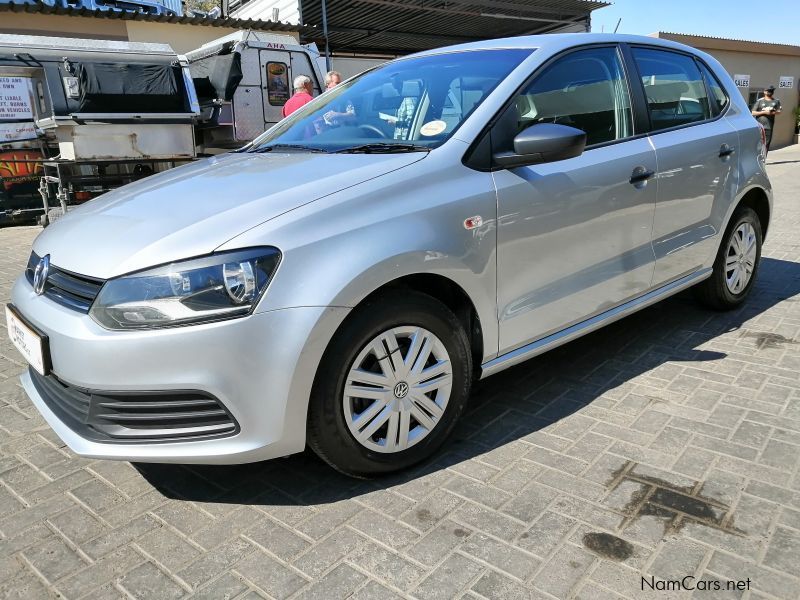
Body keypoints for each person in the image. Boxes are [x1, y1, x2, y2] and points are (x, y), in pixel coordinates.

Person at [752, 85, 782, 151]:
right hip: (759, 125)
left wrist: (771, 113)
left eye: (772, 91)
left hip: (769, 126)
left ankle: (764, 158)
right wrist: (764, 112)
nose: (770, 92)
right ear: (764, 92)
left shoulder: (776, 101)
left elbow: (779, 111)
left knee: (767, 143)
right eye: (769, 91)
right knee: (758, 142)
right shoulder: (760, 101)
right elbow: (753, 112)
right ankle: (757, 158)